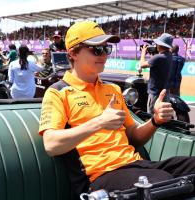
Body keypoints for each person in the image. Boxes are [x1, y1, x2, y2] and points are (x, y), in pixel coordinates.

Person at [38, 21, 195, 198]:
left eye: (106, 49)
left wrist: (155, 121)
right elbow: (51, 144)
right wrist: (99, 122)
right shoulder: (58, 92)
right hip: (99, 177)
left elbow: (134, 137)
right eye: (96, 50)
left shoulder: (112, 90)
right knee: (163, 183)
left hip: (135, 165)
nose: (104, 55)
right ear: (73, 53)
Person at [139, 33, 173, 114]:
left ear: (160, 45)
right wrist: (153, 55)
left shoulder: (158, 57)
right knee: (162, 115)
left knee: (152, 115)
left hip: (155, 92)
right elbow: (156, 63)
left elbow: (142, 65)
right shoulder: (169, 55)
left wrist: (143, 52)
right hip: (165, 91)